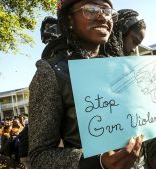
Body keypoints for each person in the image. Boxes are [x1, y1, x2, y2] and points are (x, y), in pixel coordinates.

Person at [28, 0, 143, 168]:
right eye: (91, 9)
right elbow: (40, 156)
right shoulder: (51, 73)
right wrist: (99, 162)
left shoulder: (122, 67)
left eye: (107, 10)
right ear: (69, 20)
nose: (102, 16)